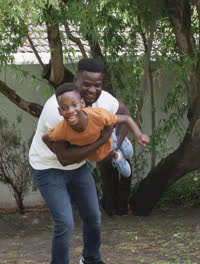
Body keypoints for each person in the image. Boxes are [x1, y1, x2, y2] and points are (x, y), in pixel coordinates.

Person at [29, 58, 131, 264]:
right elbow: (65, 158)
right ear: (76, 80)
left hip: (78, 165)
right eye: (86, 84)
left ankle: (91, 259)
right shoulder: (58, 111)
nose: (92, 90)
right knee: (65, 223)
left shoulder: (104, 101)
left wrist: (114, 147)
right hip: (48, 167)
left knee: (93, 216)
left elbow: (125, 114)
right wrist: (103, 142)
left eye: (97, 85)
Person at [43, 83, 150, 178]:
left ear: (82, 104)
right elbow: (45, 138)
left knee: (129, 152)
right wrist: (56, 152)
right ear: (59, 111)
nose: (70, 111)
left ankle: (118, 139)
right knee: (125, 172)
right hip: (101, 152)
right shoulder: (61, 130)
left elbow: (126, 118)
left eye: (74, 105)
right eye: (65, 108)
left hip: (109, 138)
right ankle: (117, 156)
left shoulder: (98, 115)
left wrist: (139, 134)